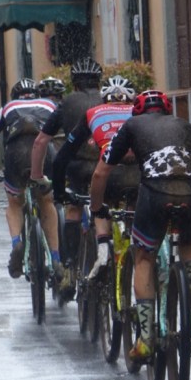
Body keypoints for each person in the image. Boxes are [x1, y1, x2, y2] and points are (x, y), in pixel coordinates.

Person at [89, 89, 191, 362]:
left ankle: (145, 339)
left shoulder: (131, 126)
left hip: (155, 191)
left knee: (143, 256)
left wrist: (97, 208)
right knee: (188, 241)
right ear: (167, 111)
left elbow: (100, 173)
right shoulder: (188, 127)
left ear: (138, 112)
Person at [0, 77, 63, 279]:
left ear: (15, 96)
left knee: (14, 203)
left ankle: (17, 243)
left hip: (16, 156)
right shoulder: (49, 105)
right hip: (44, 155)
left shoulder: (8, 108)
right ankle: (56, 259)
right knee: (47, 202)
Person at [52, 75, 139, 280]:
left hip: (106, 174)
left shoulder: (94, 113)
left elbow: (62, 157)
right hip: (137, 176)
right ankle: (138, 244)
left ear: (103, 98)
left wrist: (59, 192)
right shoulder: (140, 114)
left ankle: (103, 248)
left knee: (100, 203)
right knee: (135, 203)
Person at [30, 57, 102, 297]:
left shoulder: (66, 103)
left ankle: (70, 269)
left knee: (73, 209)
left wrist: (37, 175)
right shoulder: (107, 100)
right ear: (98, 82)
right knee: (109, 208)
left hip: (77, 167)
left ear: (74, 83)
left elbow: (41, 141)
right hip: (108, 167)